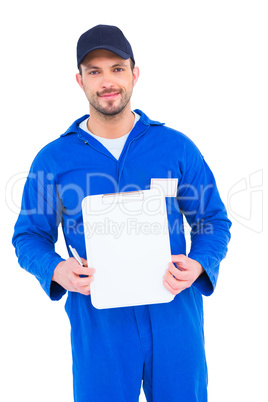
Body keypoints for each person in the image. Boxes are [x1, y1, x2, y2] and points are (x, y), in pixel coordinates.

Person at [12, 24, 231, 402]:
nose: (107, 81)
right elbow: (29, 235)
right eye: (94, 71)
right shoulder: (53, 160)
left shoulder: (175, 147)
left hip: (174, 312)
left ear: (135, 73)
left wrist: (199, 264)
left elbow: (212, 220)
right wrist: (55, 269)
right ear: (79, 81)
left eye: (117, 68)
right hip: (99, 325)